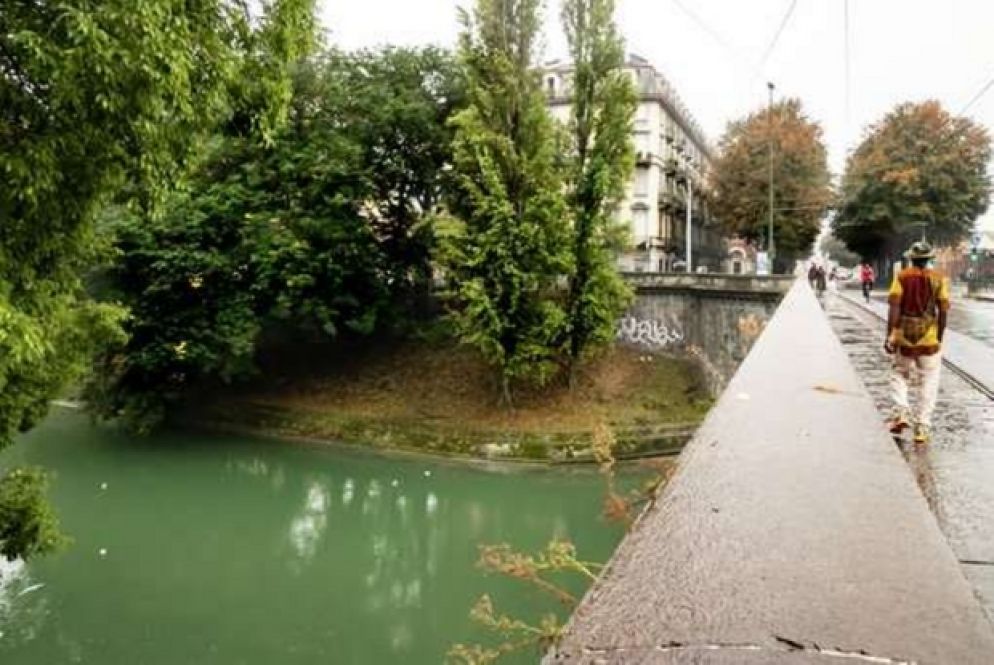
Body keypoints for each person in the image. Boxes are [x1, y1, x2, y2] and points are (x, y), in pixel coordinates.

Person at [884, 241, 950, 444]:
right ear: (929, 259)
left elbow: (894, 307)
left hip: (905, 336)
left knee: (898, 373)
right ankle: (922, 427)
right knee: (929, 380)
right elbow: (944, 309)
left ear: (911, 258)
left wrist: (890, 334)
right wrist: (939, 335)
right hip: (929, 337)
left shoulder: (902, 277)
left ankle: (901, 412)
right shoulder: (939, 279)